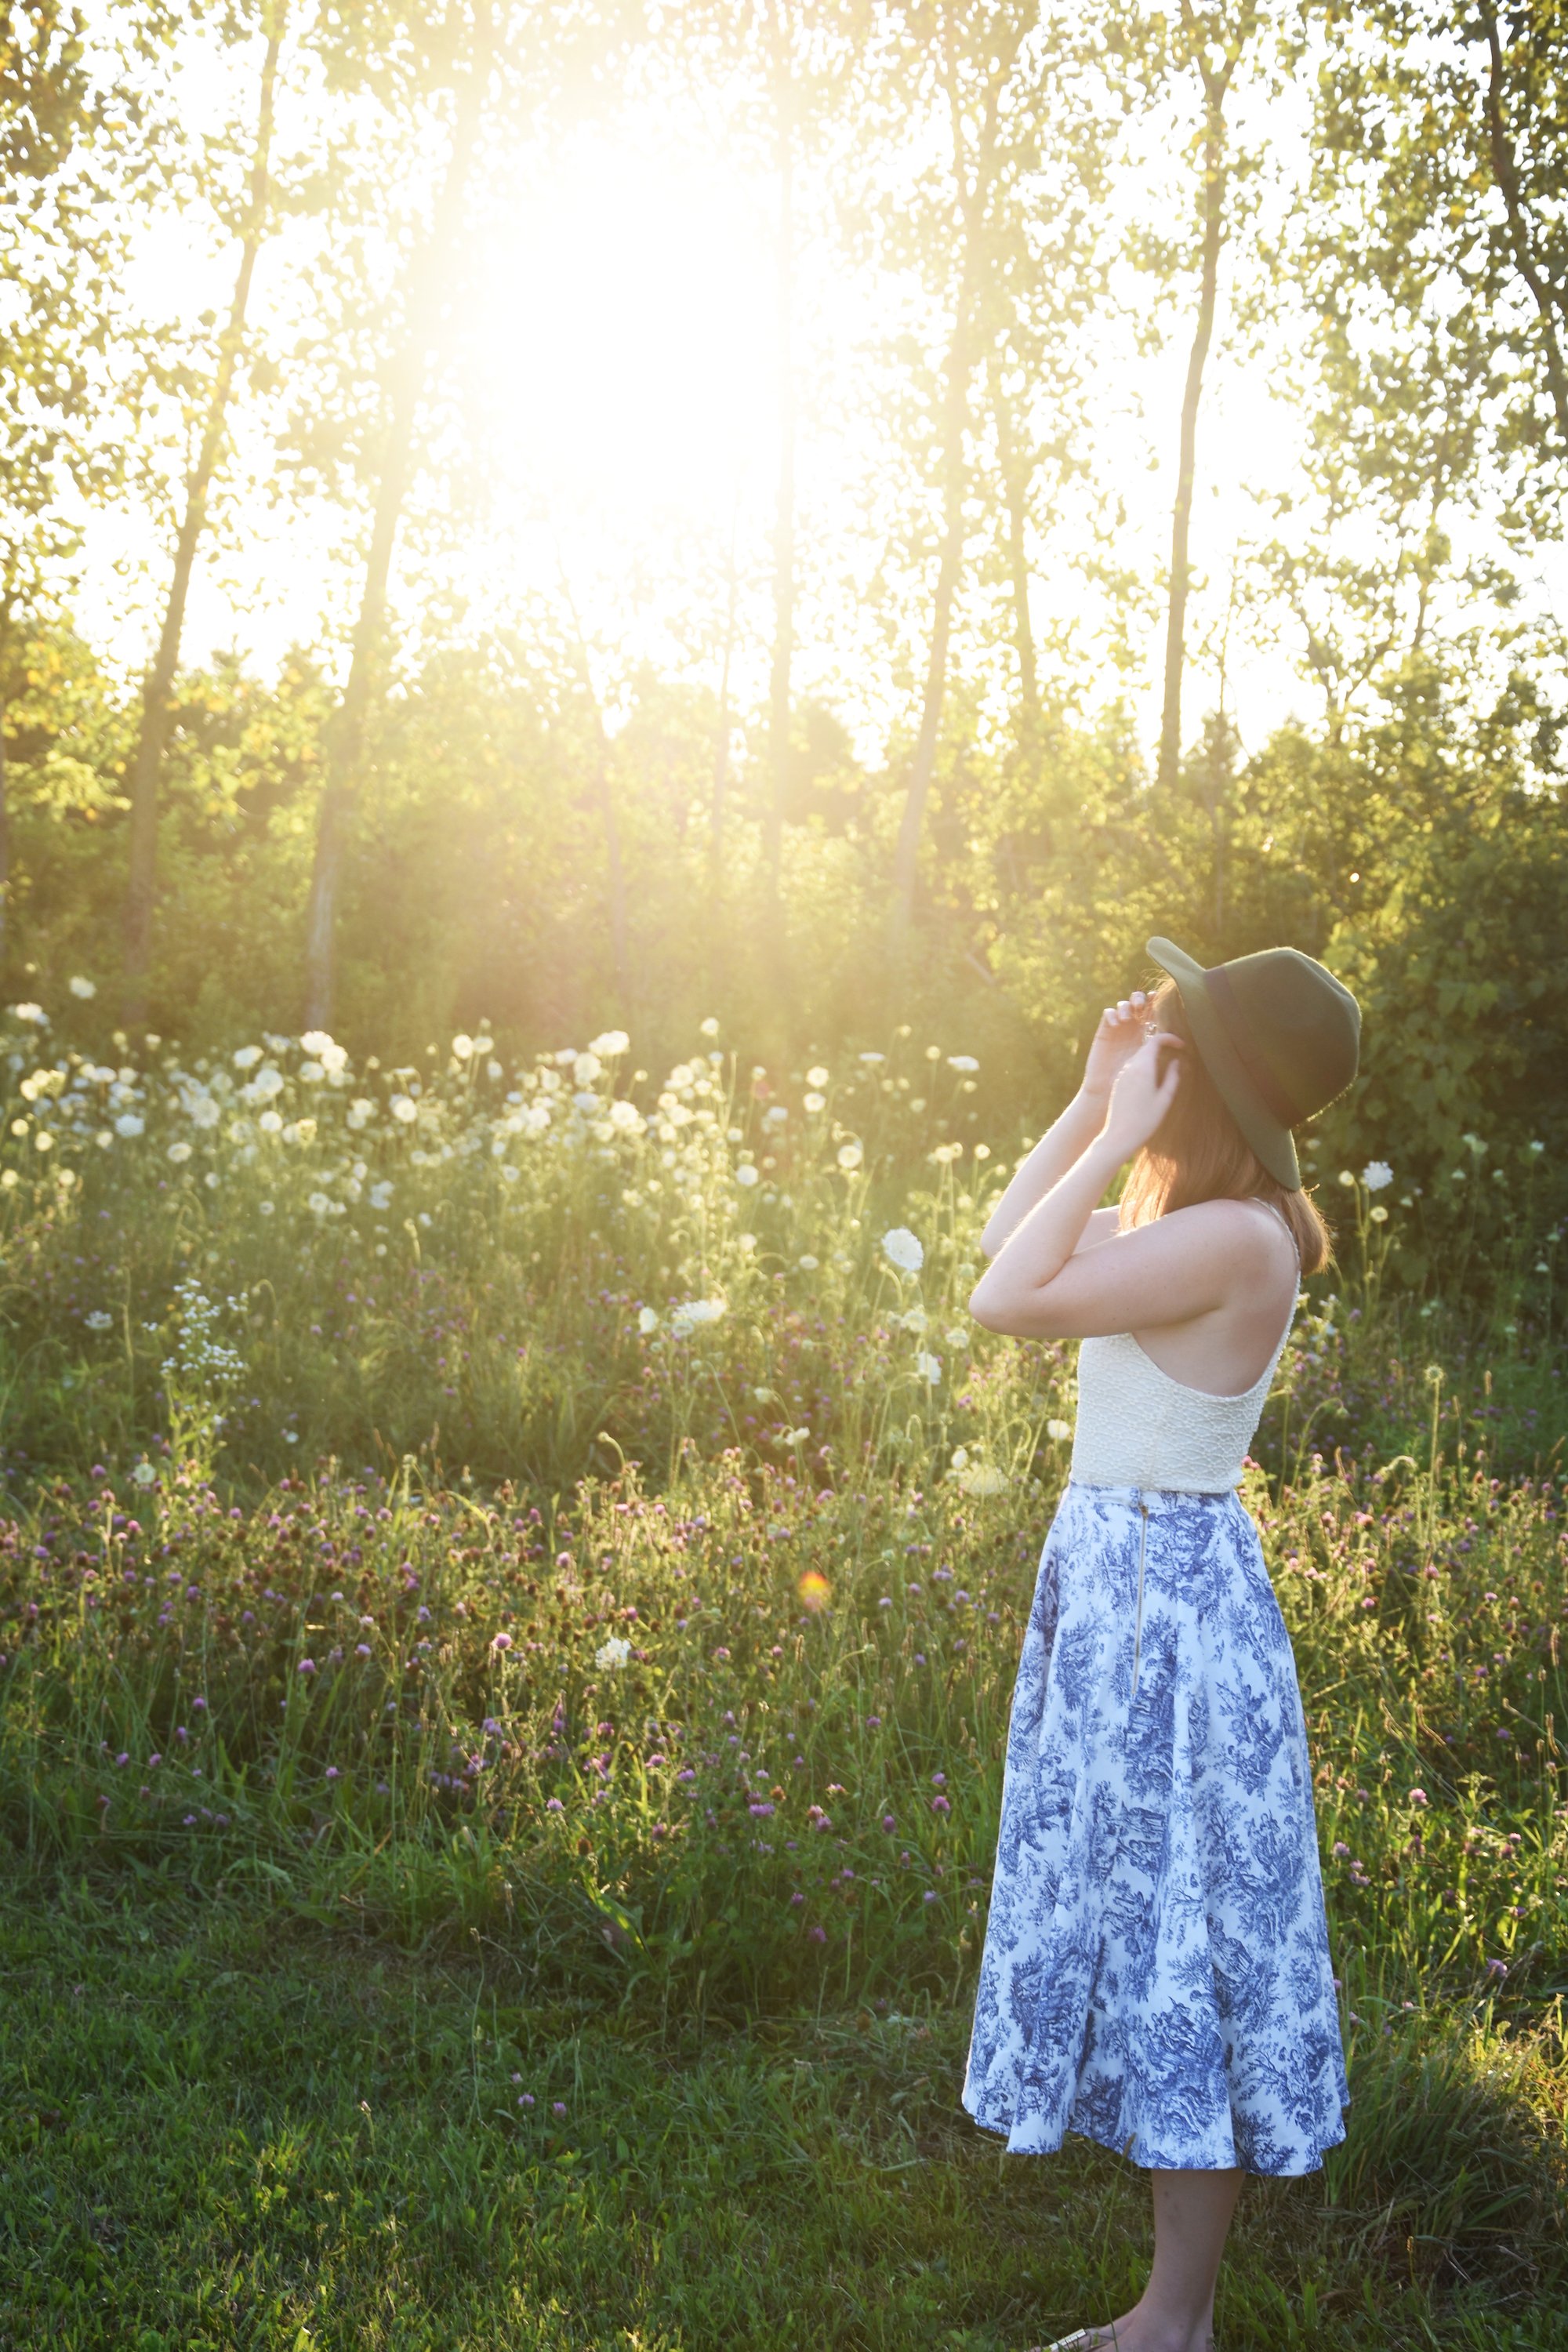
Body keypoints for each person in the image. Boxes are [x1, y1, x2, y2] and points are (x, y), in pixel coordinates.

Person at [960, 935, 1361, 2352]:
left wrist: (1122, 1127)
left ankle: (1174, 2326)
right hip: (1132, 1597)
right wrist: (1088, 1110)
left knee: (1186, 1939)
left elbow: (1003, 1304)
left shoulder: (1236, 1237)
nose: (1151, 1046)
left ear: (1209, 1086)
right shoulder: (1199, 1222)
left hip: (1169, 1620)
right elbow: (1015, 1244)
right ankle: (1170, 2319)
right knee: (1154, 1931)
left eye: (1172, 1041)